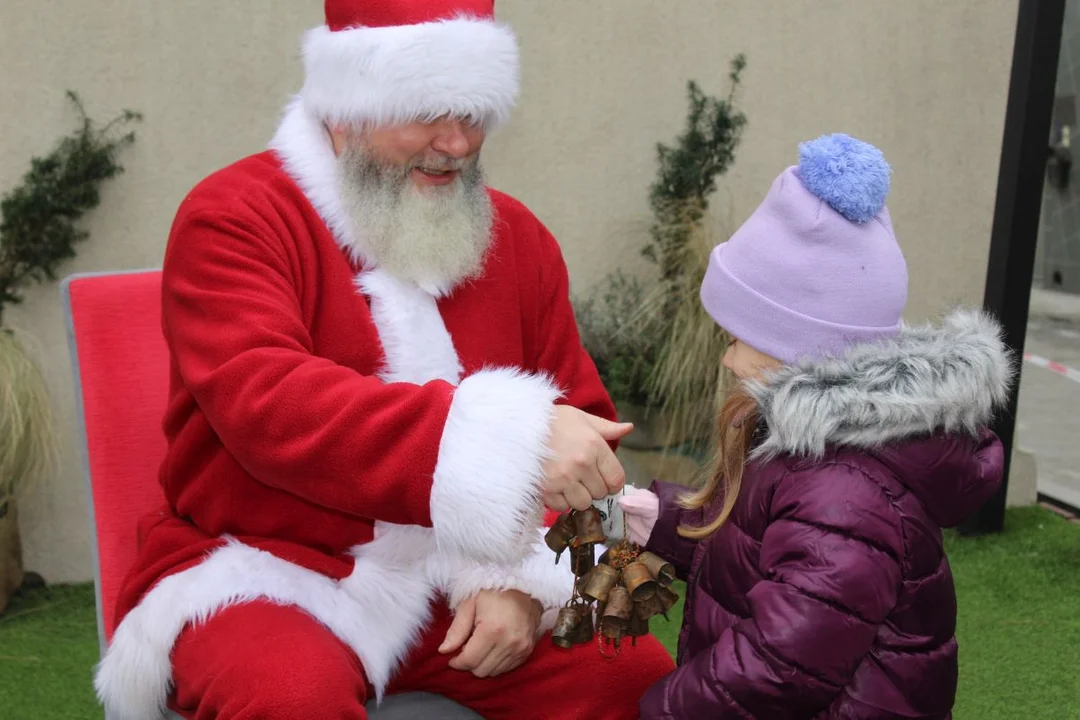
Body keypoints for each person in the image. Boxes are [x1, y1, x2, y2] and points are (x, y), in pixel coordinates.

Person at [93, 1, 674, 718]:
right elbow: (270, 406)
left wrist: (527, 583)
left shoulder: (518, 238)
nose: (458, 144)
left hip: (468, 574)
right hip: (274, 567)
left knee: (632, 674)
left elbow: (585, 435)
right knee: (289, 696)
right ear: (345, 108)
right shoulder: (234, 217)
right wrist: (503, 439)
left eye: (474, 114)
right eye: (428, 112)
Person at [619, 133, 1013, 719]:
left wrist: (663, 709)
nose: (727, 359)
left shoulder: (844, 492)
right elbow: (761, 550)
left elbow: (778, 664)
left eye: (738, 339)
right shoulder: (821, 455)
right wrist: (653, 518)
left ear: (796, 350)